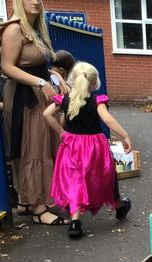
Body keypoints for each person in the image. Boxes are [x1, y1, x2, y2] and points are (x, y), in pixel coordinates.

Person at [43, 62, 132, 238]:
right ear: (94, 83)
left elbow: (47, 114)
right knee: (104, 178)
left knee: (75, 180)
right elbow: (107, 119)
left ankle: (75, 222)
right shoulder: (97, 101)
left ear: (73, 79)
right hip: (94, 147)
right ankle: (119, 206)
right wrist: (125, 136)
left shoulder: (64, 99)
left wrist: (62, 133)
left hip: (71, 145)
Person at [0, 0, 67, 225]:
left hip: (35, 94)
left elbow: (33, 63)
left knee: (37, 147)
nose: (36, 2)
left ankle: (26, 202)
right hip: (24, 98)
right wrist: (40, 82)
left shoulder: (32, 27)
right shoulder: (14, 28)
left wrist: (54, 76)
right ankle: (39, 209)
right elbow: (7, 67)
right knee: (34, 148)